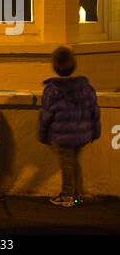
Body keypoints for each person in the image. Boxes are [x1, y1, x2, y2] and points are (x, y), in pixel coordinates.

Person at [38, 46, 101, 207]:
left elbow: (46, 115)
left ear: (54, 67)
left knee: (67, 163)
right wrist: (96, 132)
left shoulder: (52, 91)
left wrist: (43, 135)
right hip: (82, 134)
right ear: (74, 65)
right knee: (74, 162)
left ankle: (67, 195)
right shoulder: (86, 88)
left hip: (62, 135)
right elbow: (94, 110)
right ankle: (78, 193)